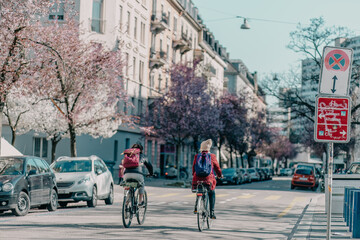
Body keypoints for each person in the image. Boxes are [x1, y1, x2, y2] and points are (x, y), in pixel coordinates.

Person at [192, 139, 222, 219]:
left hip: (197, 178)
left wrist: (193, 175)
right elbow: (217, 167)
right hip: (208, 179)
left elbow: (194, 167)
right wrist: (219, 175)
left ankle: (196, 207)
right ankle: (212, 212)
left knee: (199, 190)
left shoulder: (197, 156)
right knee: (212, 193)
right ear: (209, 148)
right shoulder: (212, 156)